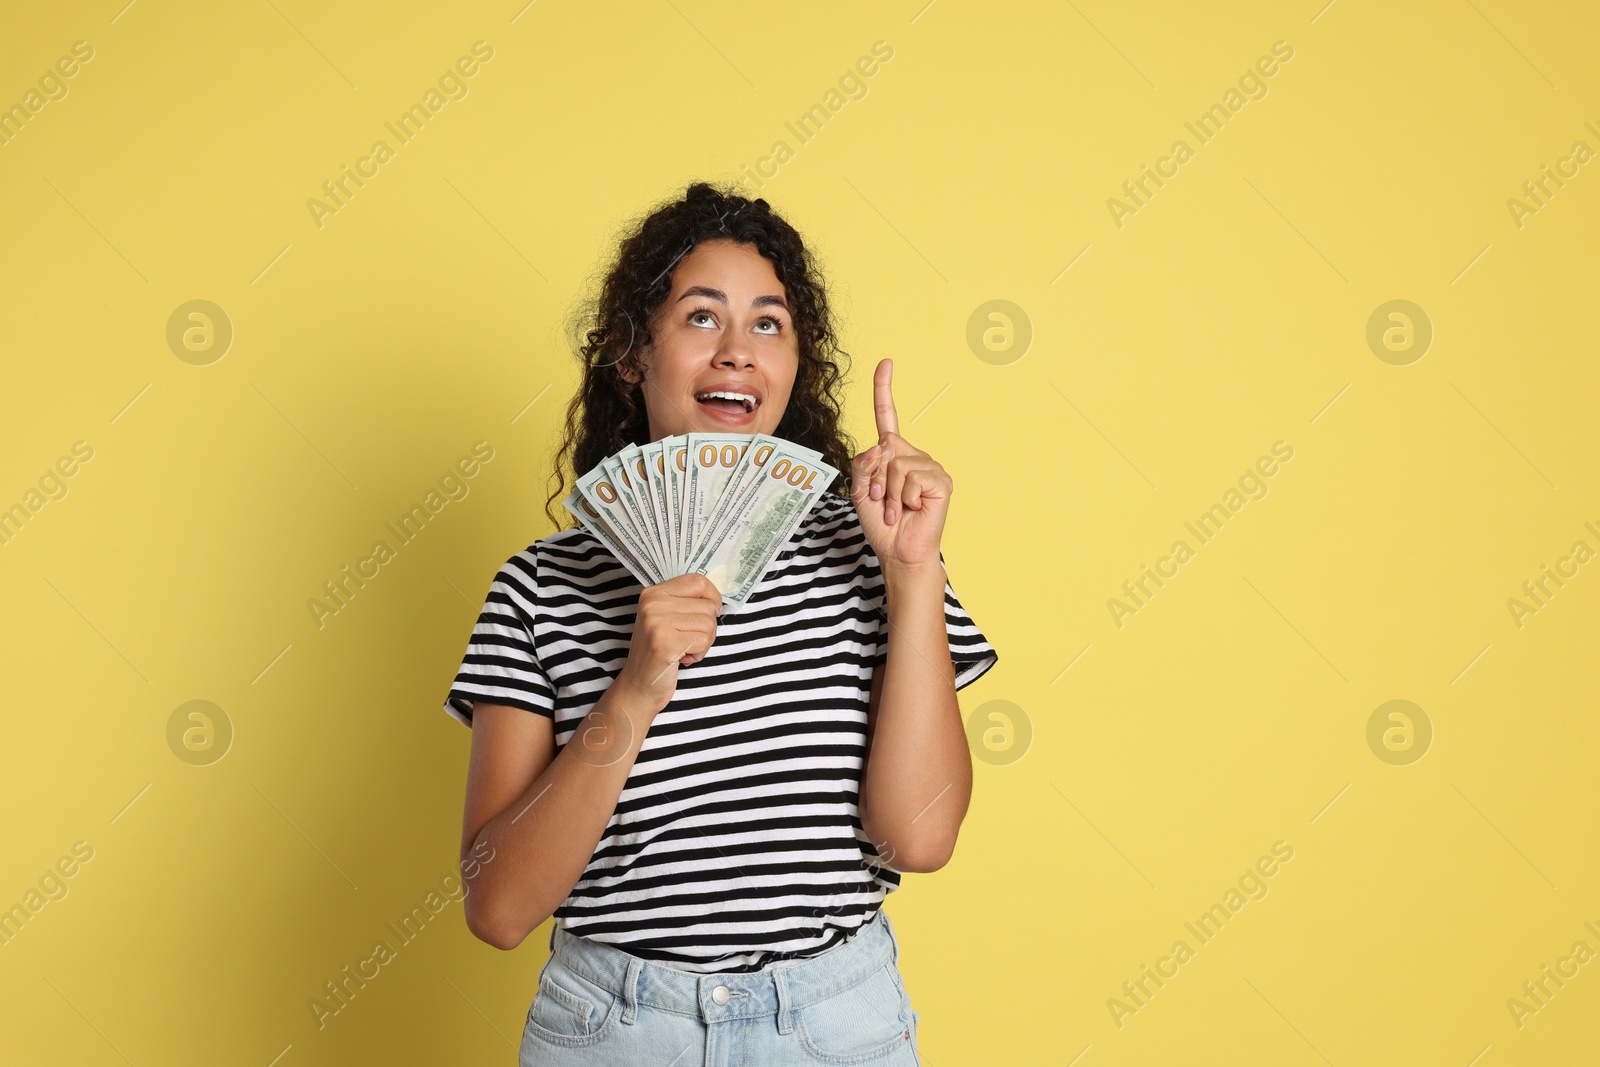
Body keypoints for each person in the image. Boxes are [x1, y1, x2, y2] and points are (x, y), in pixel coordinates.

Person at [442, 181, 998, 1066]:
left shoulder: (870, 555)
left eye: (768, 324)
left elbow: (919, 837)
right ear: (631, 353)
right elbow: (498, 907)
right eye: (702, 318)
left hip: (832, 1023)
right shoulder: (538, 589)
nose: (738, 351)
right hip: (614, 1029)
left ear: (795, 365)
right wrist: (635, 688)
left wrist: (911, 572)